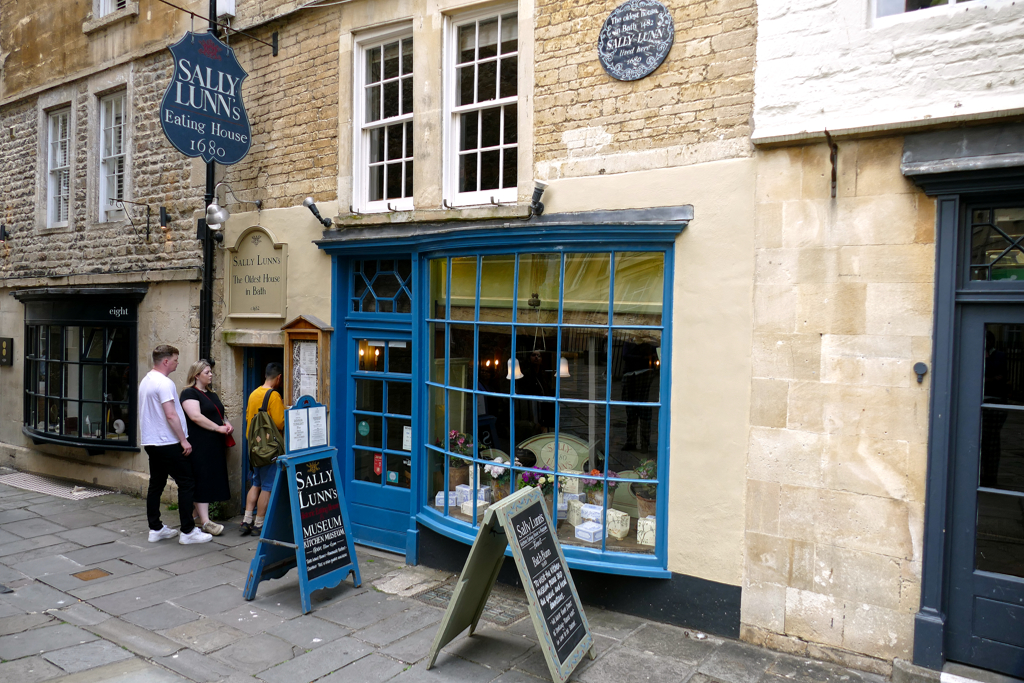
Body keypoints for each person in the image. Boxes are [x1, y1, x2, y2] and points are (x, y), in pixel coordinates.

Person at [139, 345, 212, 545]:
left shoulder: (146, 381)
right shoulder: (164, 383)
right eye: (175, 359)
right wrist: (183, 440)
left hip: (151, 441)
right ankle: (188, 532)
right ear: (165, 361)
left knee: (156, 484)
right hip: (168, 442)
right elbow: (170, 414)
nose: (177, 363)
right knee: (187, 483)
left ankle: (155, 529)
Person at [180, 360, 233, 536]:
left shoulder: (211, 393)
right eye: (207, 372)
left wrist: (226, 423)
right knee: (202, 478)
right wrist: (218, 428)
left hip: (214, 444)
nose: (211, 375)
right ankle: (206, 522)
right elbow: (195, 416)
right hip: (200, 443)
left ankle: (194, 515)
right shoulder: (189, 393)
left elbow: (220, 413)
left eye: (211, 372)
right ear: (197, 375)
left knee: (210, 478)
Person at [241, 362, 285, 536]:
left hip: (254, 447)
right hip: (269, 450)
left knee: (255, 483)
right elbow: (280, 422)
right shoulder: (274, 396)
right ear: (279, 377)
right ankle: (259, 523)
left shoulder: (253, 394)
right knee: (267, 486)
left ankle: (246, 520)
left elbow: (248, 418)